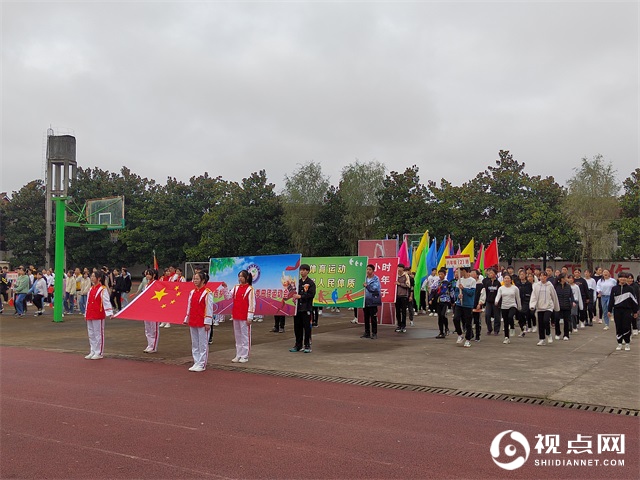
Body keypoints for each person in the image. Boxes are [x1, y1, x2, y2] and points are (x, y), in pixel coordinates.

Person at [183, 271, 214, 371]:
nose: (195, 281)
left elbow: (209, 308)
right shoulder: (192, 292)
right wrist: (186, 318)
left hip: (202, 321)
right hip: (193, 320)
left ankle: (202, 364)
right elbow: (189, 306)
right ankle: (196, 362)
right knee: (195, 343)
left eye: (197, 279)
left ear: (203, 280)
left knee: (203, 344)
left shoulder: (208, 293)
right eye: (194, 279)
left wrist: (208, 322)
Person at [228, 270, 256, 363]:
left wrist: (250, 317)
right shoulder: (236, 287)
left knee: (245, 336)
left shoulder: (250, 289)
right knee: (238, 335)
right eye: (239, 276)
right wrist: (224, 288)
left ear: (247, 277)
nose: (240, 278)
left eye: (242, 276)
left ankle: (245, 355)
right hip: (236, 314)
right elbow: (228, 296)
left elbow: (252, 304)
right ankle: (238, 354)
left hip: (245, 316)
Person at [85, 270, 113, 360]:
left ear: (99, 278)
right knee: (91, 333)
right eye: (91, 276)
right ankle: (92, 350)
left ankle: (99, 352)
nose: (92, 278)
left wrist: (109, 313)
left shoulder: (102, 289)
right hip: (90, 313)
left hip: (98, 313)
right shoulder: (91, 289)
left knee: (98, 333)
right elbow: (88, 302)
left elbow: (106, 301)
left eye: (93, 276)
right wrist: (86, 313)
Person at [608, 274, 638, 351]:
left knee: (626, 326)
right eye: (621, 277)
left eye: (624, 277)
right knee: (618, 326)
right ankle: (619, 343)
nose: (623, 279)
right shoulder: (614, 289)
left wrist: (635, 311)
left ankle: (627, 343)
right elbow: (611, 300)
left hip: (627, 310)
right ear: (618, 278)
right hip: (617, 310)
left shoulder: (630, 289)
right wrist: (609, 310)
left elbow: (634, 301)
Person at [290, 264, 316, 353]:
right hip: (297, 309)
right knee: (297, 327)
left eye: (304, 270)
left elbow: (311, 295)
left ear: (308, 271)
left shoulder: (311, 283)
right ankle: (298, 344)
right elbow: (293, 292)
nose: (302, 272)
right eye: (301, 270)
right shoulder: (298, 282)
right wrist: (294, 298)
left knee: (307, 328)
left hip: (306, 308)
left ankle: (307, 345)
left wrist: (300, 296)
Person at [529, 271, 560, 346]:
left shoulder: (550, 285)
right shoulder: (536, 286)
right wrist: (532, 305)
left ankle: (548, 334)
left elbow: (554, 296)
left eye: (544, 276)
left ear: (546, 277)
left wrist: (556, 307)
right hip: (540, 307)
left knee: (546, 320)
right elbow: (534, 296)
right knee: (540, 323)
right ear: (539, 277)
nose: (542, 277)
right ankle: (542, 339)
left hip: (548, 307)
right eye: (541, 276)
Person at [495, 274, 521, 344]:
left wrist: (519, 306)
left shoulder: (515, 288)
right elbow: (498, 296)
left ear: (510, 280)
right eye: (505, 278)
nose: (506, 280)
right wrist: (496, 301)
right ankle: (506, 337)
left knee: (510, 317)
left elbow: (518, 298)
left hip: (512, 305)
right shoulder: (501, 288)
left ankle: (512, 326)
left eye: (508, 278)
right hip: (504, 306)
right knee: (506, 322)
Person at [454, 267, 476, 347]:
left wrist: (464, 289)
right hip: (459, 304)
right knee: (456, 318)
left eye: (460, 271)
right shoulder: (459, 281)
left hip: (468, 304)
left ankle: (468, 339)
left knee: (468, 322)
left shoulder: (472, 281)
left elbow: (472, 293)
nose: (458, 273)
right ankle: (460, 334)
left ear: (464, 271)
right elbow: (456, 292)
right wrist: (458, 295)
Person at [142, 269, 161, 353]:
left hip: (155, 309)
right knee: (147, 328)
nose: (148, 276)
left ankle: (154, 346)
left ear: (153, 275)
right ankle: (149, 344)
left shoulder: (156, 284)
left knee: (154, 329)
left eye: (150, 274)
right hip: (147, 308)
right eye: (147, 274)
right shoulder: (146, 285)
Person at [361, 264, 382, 339]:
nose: (368, 271)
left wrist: (367, 286)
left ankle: (374, 333)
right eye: (367, 269)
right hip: (365, 301)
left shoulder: (376, 279)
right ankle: (367, 333)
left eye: (370, 269)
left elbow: (375, 289)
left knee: (373, 318)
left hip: (373, 301)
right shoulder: (364, 278)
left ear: (373, 271)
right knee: (366, 317)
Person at [554, 274, 574, 341]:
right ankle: (557, 333)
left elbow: (571, 296)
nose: (566, 279)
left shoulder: (568, 286)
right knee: (556, 320)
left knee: (566, 321)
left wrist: (572, 302)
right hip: (558, 306)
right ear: (562, 279)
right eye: (565, 277)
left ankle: (566, 335)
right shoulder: (556, 286)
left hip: (566, 306)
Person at [482, 268, 502, 335]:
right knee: (487, 315)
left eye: (491, 273)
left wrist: (498, 302)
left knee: (497, 316)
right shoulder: (487, 282)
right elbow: (485, 292)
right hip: (488, 301)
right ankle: (489, 329)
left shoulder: (498, 283)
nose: (489, 274)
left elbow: (499, 293)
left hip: (495, 302)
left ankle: (496, 330)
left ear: (495, 274)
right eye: (489, 273)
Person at [515, 270, 533, 335]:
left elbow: (531, 292)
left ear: (525, 275)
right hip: (519, 300)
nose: (522, 276)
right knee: (518, 314)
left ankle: (525, 324)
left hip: (526, 300)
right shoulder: (517, 283)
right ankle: (522, 328)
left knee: (523, 311)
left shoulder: (528, 284)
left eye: (523, 274)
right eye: (520, 274)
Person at [434, 268, 451, 338]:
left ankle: (446, 327)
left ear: (445, 275)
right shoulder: (437, 282)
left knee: (443, 315)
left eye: (442, 274)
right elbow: (433, 290)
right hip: (438, 301)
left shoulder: (447, 283)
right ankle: (441, 332)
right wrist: (431, 298)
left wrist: (452, 301)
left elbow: (450, 292)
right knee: (439, 317)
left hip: (445, 301)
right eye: (439, 274)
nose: (440, 275)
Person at [394, 263, 410, 333]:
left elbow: (408, 285)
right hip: (396, 296)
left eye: (400, 268)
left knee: (403, 312)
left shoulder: (406, 275)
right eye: (398, 267)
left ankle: (403, 326)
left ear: (403, 269)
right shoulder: (395, 275)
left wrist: (400, 284)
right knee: (397, 311)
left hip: (403, 296)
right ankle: (399, 325)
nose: (399, 269)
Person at [470, 269, 486, 342]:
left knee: (477, 321)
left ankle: (477, 335)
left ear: (477, 275)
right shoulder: (468, 284)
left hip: (477, 304)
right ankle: (470, 334)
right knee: (468, 320)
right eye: (471, 273)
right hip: (469, 304)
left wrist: (480, 303)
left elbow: (483, 295)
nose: (471, 274)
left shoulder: (480, 285)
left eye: (473, 273)